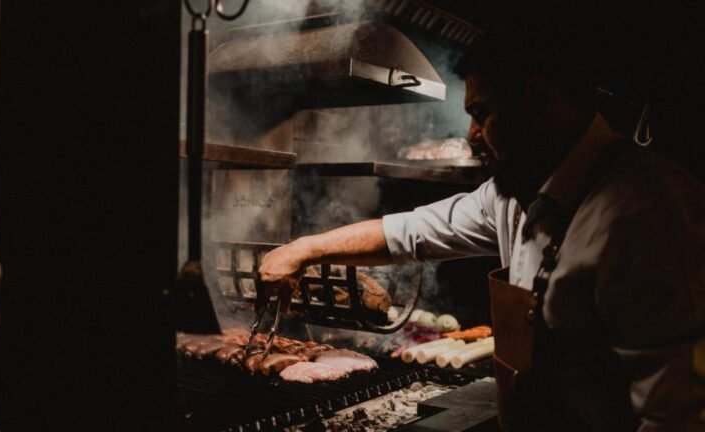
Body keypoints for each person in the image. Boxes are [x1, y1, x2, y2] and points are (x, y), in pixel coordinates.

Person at [257, 29, 705, 432]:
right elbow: (410, 232)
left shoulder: (649, 210)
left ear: (536, 99)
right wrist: (303, 249)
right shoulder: (513, 194)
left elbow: (679, 415)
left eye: (482, 112)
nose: (472, 134)